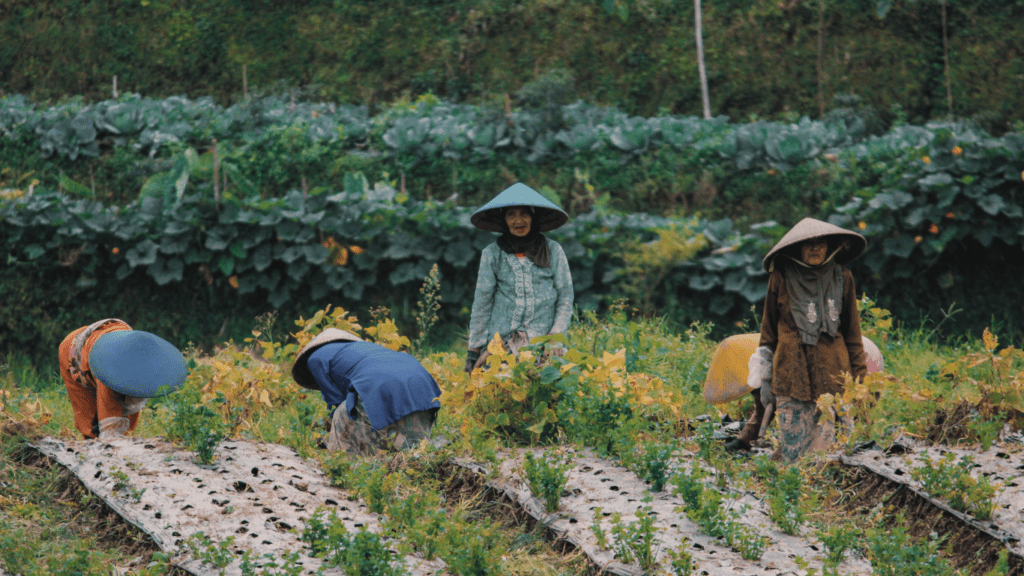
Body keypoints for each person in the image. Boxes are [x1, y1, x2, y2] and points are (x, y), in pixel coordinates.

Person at [738, 218, 869, 462]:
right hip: (791, 372)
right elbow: (768, 334)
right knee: (794, 449)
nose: (815, 249)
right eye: (808, 244)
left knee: (829, 452)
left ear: (830, 247)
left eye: (821, 243)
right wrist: (764, 380)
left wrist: (861, 383)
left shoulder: (843, 276)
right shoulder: (780, 277)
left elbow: (852, 333)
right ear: (796, 248)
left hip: (834, 373)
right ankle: (788, 481)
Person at [465, 183, 574, 373]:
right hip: (502, 342)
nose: (518, 220)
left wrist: (556, 335)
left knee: (552, 384)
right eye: (511, 215)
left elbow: (565, 296)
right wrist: (474, 351)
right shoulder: (492, 254)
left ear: (534, 217)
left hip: (545, 341)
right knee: (498, 389)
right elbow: (483, 303)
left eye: (524, 214)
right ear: (503, 220)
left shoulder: (554, 250)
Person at [291, 328, 442, 455]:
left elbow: (336, 402)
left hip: (378, 384)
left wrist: (328, 433)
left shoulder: (315, 359)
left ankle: (342, 470)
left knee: (342, 417)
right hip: (421, 383)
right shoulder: (364, 349)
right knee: (412, 454)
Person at [58, 319, 188, 439]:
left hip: (113, 339)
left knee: (127, 428)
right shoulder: (109, 372)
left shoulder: (145, 365)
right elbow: (110, 429)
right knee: (90, 420)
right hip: (73, 350)